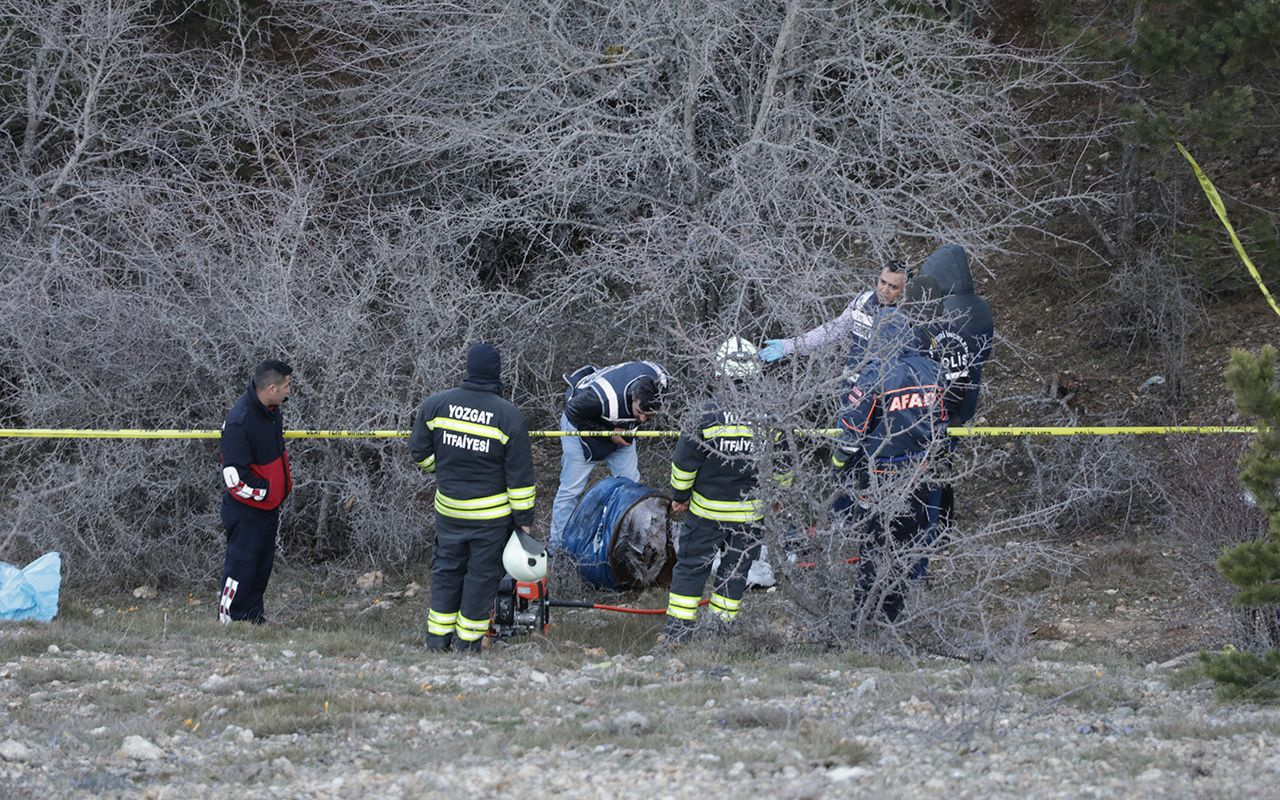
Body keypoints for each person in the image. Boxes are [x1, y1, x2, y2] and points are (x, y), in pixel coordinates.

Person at [664, 338, 793, 644]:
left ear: (718, 374)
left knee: (692, 569)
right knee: (736, 571)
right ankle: (722, 631)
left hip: (707, 511)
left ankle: (678, 635)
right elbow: (784, 464)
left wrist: (679, 497)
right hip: (751, 513)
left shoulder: (704, 413)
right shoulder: (770, 414)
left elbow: (684, 464)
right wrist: (778, 496)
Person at [409, 343, 536, 653]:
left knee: (446, 571)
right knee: (481, 579)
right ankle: (467, 645)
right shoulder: (508, 415)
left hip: (449, 512)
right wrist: (524, 523)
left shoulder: (436, 404)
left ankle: (437, 641)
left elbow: (419, 453)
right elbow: (519, 479)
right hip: (490, 520)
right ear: (497, 373)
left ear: (468, 368)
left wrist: (444, 470)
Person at [831, 312, 947, 626]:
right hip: (922, 474)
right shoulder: (934, 370)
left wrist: (838, 468)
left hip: (881, 476)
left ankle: (862, 616)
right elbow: (942, 425)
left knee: (873, 549)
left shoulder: (875, 373)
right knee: (906, 547)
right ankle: (890, 618)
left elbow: (851, 432)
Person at [549, 360, 670, 550]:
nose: (643, 419)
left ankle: (632, 544)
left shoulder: (661, 382)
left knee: (632, 486)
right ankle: (557, 550)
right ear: (632, 397)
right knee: (570, 490)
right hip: (581, 426)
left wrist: (623, 429)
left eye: (650, 416)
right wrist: (610, 431)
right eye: (640, 412)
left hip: (621, 429)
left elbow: (642, 412)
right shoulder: (601, 398)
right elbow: (572, 411)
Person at [918, 244, 994, 527]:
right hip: (966, 395)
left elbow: (926, 357)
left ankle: (934, 527)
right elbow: (982, 353)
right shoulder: (979, 307)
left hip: (941, 404)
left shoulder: (944, 314)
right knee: (943, 462)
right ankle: (943, 524)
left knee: (931, 468)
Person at [218, 359, 294, 625]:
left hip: (267, 509)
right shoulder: (241, 421)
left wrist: (275, 496)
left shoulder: (272, 413)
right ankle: (229, 620)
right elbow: (234, 478)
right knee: (241, 566)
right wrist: (268, 492)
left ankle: (252, 617)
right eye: (286, 385)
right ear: (271, 387)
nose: (289, 391)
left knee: (259, 568)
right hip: (246, 510)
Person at [758, 258, 908, 369]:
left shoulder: (907, 317)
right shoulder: (862, 301)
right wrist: (789, 345)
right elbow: (833, 330)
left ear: (904, 289)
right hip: (852, 380)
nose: (885, 290)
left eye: (893, 287)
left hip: (885, 388)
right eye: (883, 282)